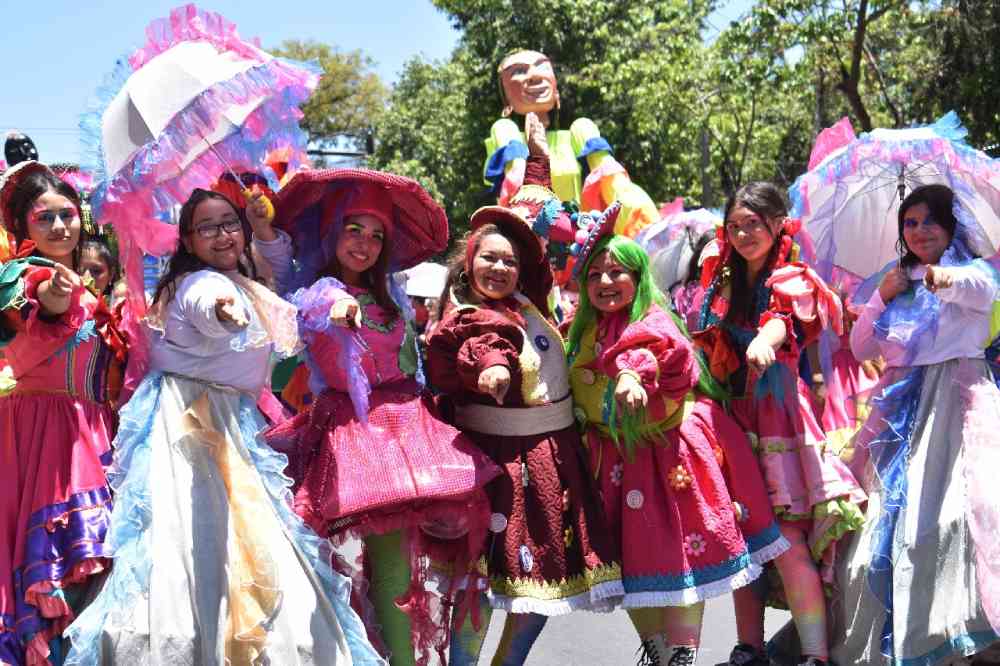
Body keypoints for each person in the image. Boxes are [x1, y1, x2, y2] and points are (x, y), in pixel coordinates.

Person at [63, 188, 383, 665]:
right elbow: (207, 307)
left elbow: (288, 289)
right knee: (192, 543)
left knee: (249, 543)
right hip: (190, 424)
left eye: (228, 223)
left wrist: (263, 228)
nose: (221, 235)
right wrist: (223, 312)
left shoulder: (246, 281)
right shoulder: (195, 285)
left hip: (235, 422)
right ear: (189, 241)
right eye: (207, 227)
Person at [262, 170, 500, 666]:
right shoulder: (319, 291)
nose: (365, 244)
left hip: (409, 430)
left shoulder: (391, 294)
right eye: (354, 230)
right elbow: (315, 307)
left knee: (425, 567)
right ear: (331, 234)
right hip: (354, 438)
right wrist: (340, 308)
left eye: (376, 235)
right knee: (363, 568)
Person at [564, 208, 788, 665]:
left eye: (617, 272)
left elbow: (652, 352)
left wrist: (630, 377)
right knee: (630, 567)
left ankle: (680, 658)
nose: (606, 281)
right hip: (616, 462)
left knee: (686, 557)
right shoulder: (583, 329)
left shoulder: (653, 317)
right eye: (596, 274)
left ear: (638, 276)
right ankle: (661, 656)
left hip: (670, 457)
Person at [426, 202, 624, 665]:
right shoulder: (468, 315)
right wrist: (492, 372)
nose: (499, 268)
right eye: (489, 258)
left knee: (543, 585)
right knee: (480, 584)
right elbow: (484, 346)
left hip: (552, 460)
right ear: (467, 263)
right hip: (497, 464)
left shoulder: (528, 304)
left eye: (509, 261)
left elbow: (537, 210)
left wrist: (537, 153)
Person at [692, 182, 866, 666]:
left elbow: (782, 322)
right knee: (743, 542)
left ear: (777, 224)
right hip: (730, 420)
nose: (744, 233)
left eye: (754, 223)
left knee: (787, 541)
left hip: (779, 424)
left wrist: (765, 342)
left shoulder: (792, 278)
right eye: (735, 225)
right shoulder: (723, 282)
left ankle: (815, 656)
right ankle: (749, 648)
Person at [829, 184, 1000, 665]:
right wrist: (882, 298)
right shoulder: (895, 280)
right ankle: (906, 637)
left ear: (949, 225)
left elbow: (982, 291)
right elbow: (862, 347)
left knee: (954, 523)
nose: (919, 231)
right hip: (898, 415)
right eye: (910, 222)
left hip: (957, 406)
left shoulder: (968, 271)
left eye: (929, 221)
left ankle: (969, 635)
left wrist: (941, 278)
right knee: (882, 532)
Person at [0, 162, 126, 666]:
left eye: (66, 214)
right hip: (47, 442)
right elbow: (45, 300)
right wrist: (56, 290)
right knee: (65, 563)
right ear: (23, 229)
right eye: (43, 218)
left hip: (94, 433)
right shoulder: (24, 278)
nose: (58, 227)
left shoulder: (95, 291)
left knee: (96, 566)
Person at [485, 49, 658, 237]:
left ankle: (646, 230)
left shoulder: (579, 133)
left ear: (556, 88)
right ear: (506, 97)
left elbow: (617, 187)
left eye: (541, 66)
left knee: (584, 126)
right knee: (503, 129)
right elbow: (513, 185)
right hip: (528, 237)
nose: (534, 76)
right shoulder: (506, 134)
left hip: (579, 239)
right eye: (518, 71)